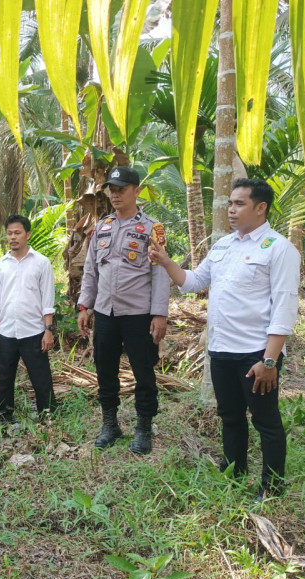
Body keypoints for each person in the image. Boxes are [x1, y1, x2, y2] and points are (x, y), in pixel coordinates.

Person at [149, 178, 300, 502]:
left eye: (240, 204)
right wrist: (164, 260)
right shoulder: (223, 246)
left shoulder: (279, 249)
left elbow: (285, 307)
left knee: (266, 421)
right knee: (230, 416)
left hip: (256, 354)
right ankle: (235, 469)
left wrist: (270, 361)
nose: (231, 210)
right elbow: (191, 282)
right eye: (230, 203)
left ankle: (272, 487)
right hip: (221, 351)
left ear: (261, 208)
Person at [76, 167, 170, 454]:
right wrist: (84, 305)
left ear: (136, 191)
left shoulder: (152, 229)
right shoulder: (101, 227)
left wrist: (159, 314)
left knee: (144, 372)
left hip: (138, 313)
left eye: (121, 189)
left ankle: (143, 428)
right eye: (111, 190)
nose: (115, 195)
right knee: (105, 369)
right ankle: (110, 424)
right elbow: (90, 270)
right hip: (106, 313)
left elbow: (161, 273)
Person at [0, 215, 56, 424]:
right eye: (9, 233)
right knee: (4, 377)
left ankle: (48, 413)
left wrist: (48, 330)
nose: (13, 237)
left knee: (40, 376)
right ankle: (4, 417)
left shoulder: (41, 263)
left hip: (33, 331)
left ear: (28, 235)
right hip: (6, 331)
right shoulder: (1, 265)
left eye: (17, 233)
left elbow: (47, 301)